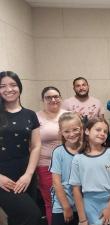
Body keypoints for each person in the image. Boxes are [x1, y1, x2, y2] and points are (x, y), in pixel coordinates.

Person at [0, 71, 41, 225]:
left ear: (19, 87)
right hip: (3, 177)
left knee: (18, 218)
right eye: (2, 86)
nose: (8, 89)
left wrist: (29, 175)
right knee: (31, 214)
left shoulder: (30, 114)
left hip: (26, 173)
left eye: (12, 85)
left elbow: (36, 146)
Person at [69, 118, 110, 225]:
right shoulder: (78, 158)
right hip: (89, 205)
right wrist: (82, 219)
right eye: (98, 130)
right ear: (87, 131)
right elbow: (76, 189)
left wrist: (109, 208)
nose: (102, 133)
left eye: (105, 131)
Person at [36, 86, 68, 225]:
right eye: (48, 97)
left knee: (71, 199)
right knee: (52, 202)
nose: (53, 99)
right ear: (43, 100)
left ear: (60, 98)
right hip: (45, 166)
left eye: (56, 96)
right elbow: (32, 144)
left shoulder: (68, 115)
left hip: (68, 164)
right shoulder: (36, 117)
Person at [49, 112, 82, 225]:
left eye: (75, 129)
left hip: (82, 205)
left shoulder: (87, 150)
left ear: (82, 129)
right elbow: (56, 183)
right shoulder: (58, 152)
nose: (71, 134)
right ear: (61, 132)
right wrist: (66, 207)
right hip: (62, 205)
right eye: (67, 131)